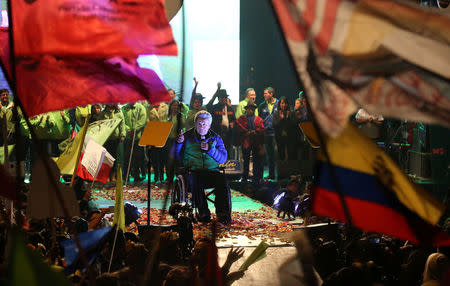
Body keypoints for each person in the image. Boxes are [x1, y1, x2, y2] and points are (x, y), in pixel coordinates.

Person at [173, 110, 232, 224]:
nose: (201, 126)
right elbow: (176, 155)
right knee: (196, 179)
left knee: (222, 180)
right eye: (199, 123)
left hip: (211, 172)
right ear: (195, 124)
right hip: (193, 172)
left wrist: (211, 150)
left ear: (209, 125)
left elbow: (223, 158)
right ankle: (203, 212)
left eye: (204, 124)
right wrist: (178, 143)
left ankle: (222, 213)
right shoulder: (186, 137)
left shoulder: (216, 138)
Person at [235, 103, 265, 183]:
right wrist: (246, 133)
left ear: (254, 110)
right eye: (249, 109)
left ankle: (256, 177)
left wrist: (254, 132)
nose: (250, 110)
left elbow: (262, 130)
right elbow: (238, 127)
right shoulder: (242, 118)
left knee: (256, 161)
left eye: (252, 109)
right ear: (246, 109)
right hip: (246, 141)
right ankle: (245, 177)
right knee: (246, 160)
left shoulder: (258, 119)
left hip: (256, 142)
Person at [99, 104, 126, 182]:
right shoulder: (103, 113)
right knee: (106, 158)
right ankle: (106, 175)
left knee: (115, 158)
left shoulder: (119, 113)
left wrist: (122, 135)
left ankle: (113, 175)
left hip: (116, 138)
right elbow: (100, 124)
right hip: (106, 138)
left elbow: (122, 124)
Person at [122, 102, 147, 183]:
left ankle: (136, 175)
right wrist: (128, 130)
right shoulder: (124, 108)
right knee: (127, 157)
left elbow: (142, 121)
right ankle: (126, 175)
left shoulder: (141, 108)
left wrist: (134, 130)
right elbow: (123, 121)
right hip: (128, 137)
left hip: (137, 137)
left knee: (137, 158)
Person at [207, 83, 236, 153]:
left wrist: (233, 123)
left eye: (225, 97)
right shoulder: (214, 108)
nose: (223, 99)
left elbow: (234, 120)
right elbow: (209, 105)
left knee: (227, 154)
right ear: (218, 98)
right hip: (216, 134)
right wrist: (218, 90)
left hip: (228, 135)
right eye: (221, 97)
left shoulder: (230, 109)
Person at [258, 87, 279, 181]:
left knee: (277, 155)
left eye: (266, 93)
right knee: (269, 156)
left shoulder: (279, 103)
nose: (264, 95)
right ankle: (271, 175)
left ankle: (280, 174)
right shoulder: (262, 105)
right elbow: (259, 119)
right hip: (266, 133)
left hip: (276, 133)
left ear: (271, 94)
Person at [273, 96, 296, 160]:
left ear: (288, 104)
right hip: (279, 137)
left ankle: (290, 169)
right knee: (281, 154)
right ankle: (282, 169)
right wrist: (282, 119)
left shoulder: (291, 112)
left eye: (285, 103)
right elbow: (274, 125)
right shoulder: (276, 113)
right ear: (279, 104)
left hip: (290, 137)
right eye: (282, 103)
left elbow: (294, 125)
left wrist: (288, 118)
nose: (284, 105)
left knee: (291, 154)